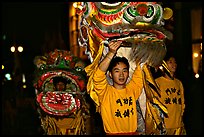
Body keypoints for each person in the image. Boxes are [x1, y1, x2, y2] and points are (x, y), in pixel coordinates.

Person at [92, 40, 144, 135]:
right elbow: (98, 75)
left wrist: (141, 50)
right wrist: (111, 53)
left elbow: (139, 72)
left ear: (128, 73)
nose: (121, 75)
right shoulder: (105, 92)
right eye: (117, 71)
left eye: (124, 71)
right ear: (110, 74)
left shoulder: (132, 89)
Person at [155, 54, 186, 135]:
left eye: (175, 62)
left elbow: (182, 102)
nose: (174, 64)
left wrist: (181, 117)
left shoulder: (178, 83)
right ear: (164, 64)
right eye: (170, 62)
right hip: (165, 125)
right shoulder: (157, 82)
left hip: (178, 125)